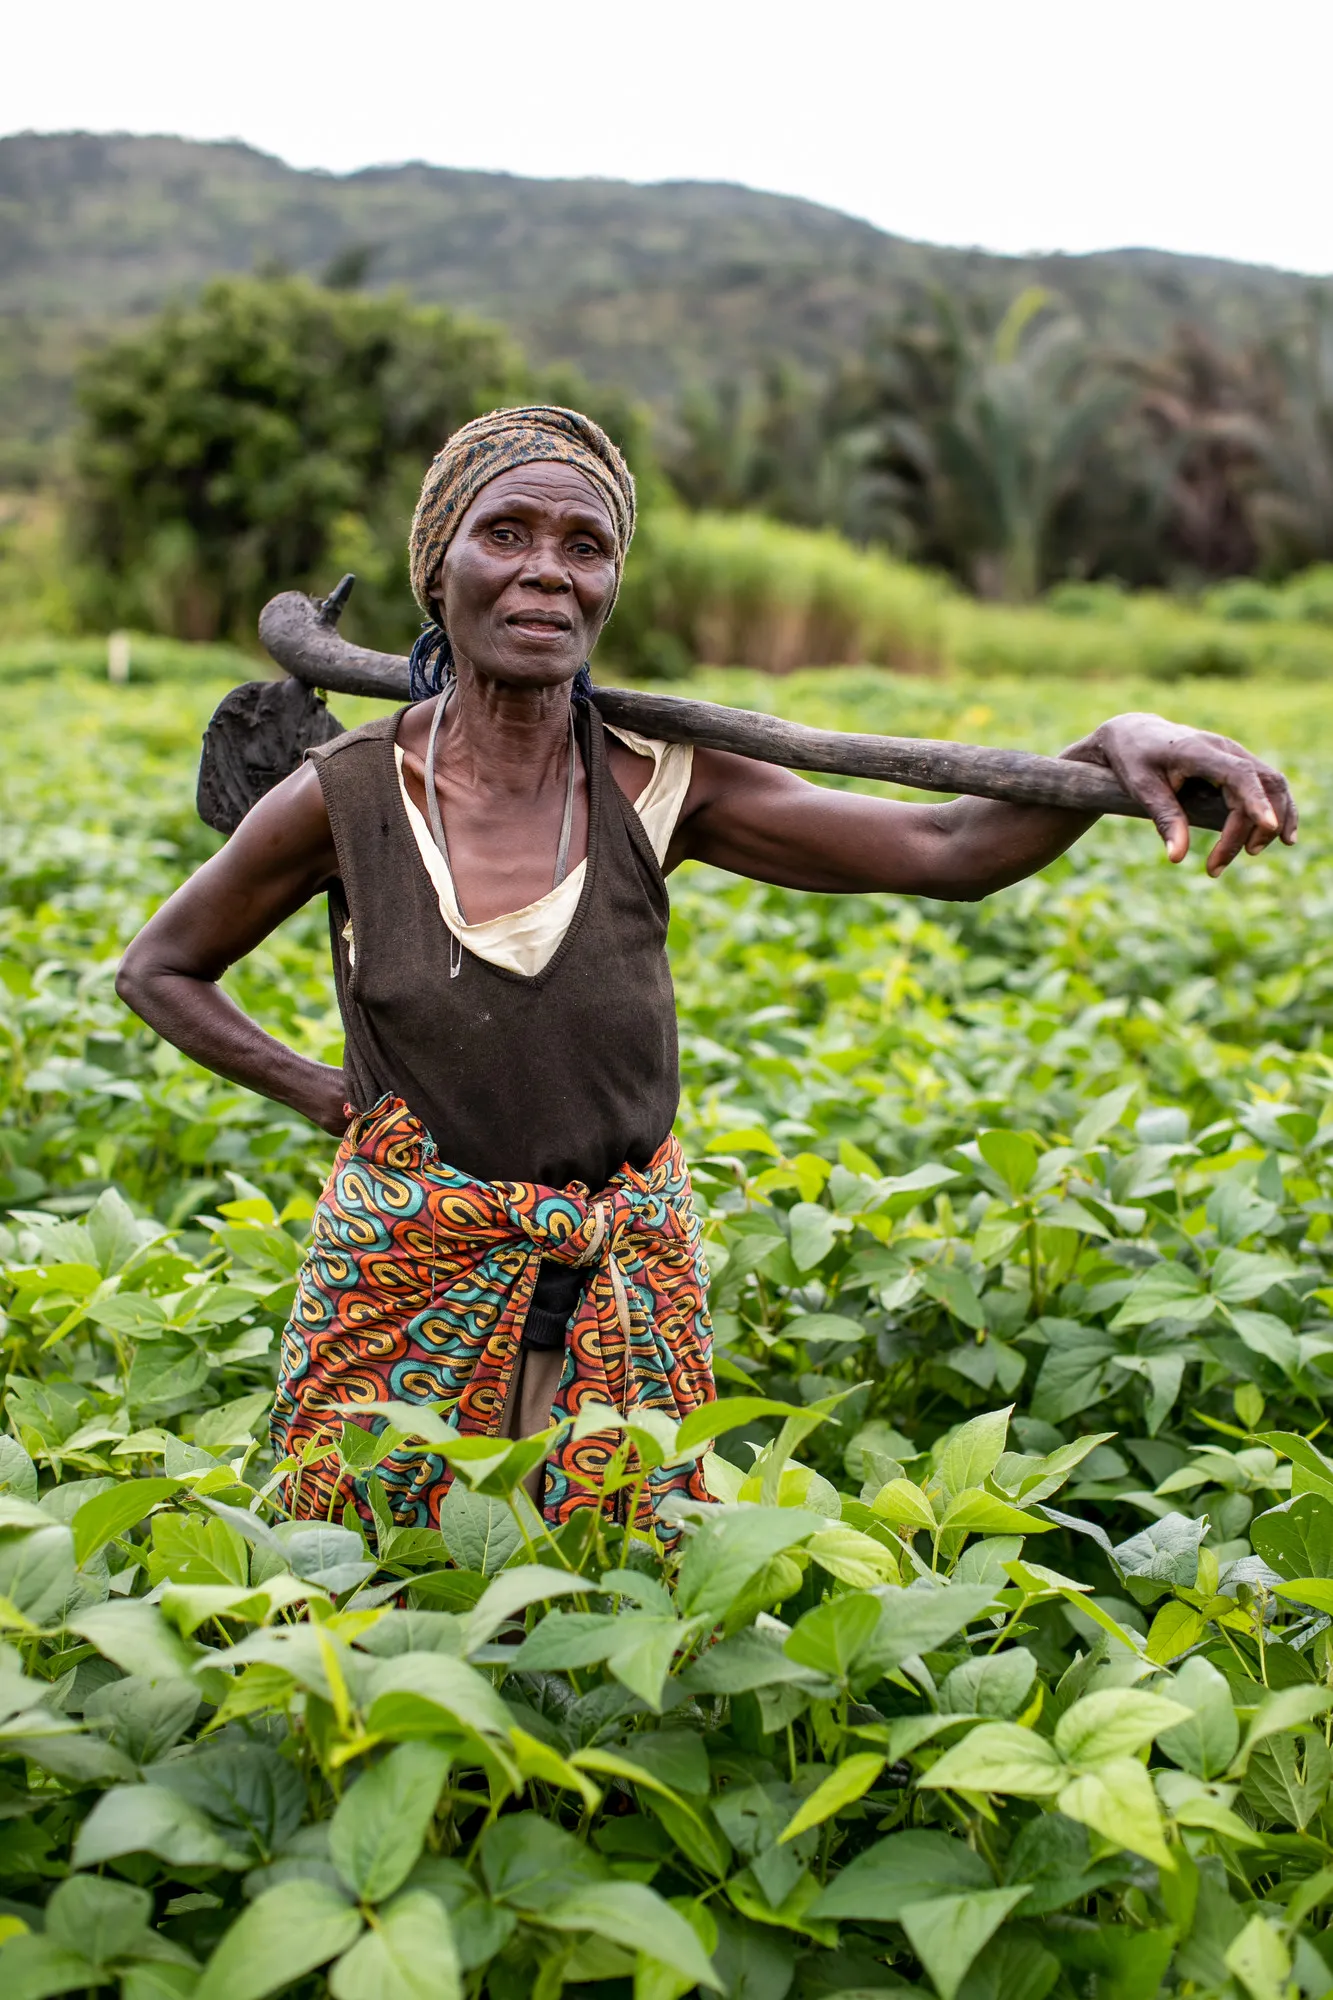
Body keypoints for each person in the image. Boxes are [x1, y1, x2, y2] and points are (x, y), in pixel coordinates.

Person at [115, 405, 1298, 1534]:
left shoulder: (664, 781)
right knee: (367, 1611)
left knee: (622, 1618)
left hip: (620, 1301)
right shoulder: (347, 795)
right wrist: (325, 1092)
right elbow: (161, 966)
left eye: (586, 546)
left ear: (611, 586)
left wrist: (1112, 740)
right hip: (404, 1293)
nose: (546, 570)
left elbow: (948, 847)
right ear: (442, 570)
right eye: (507, 534)